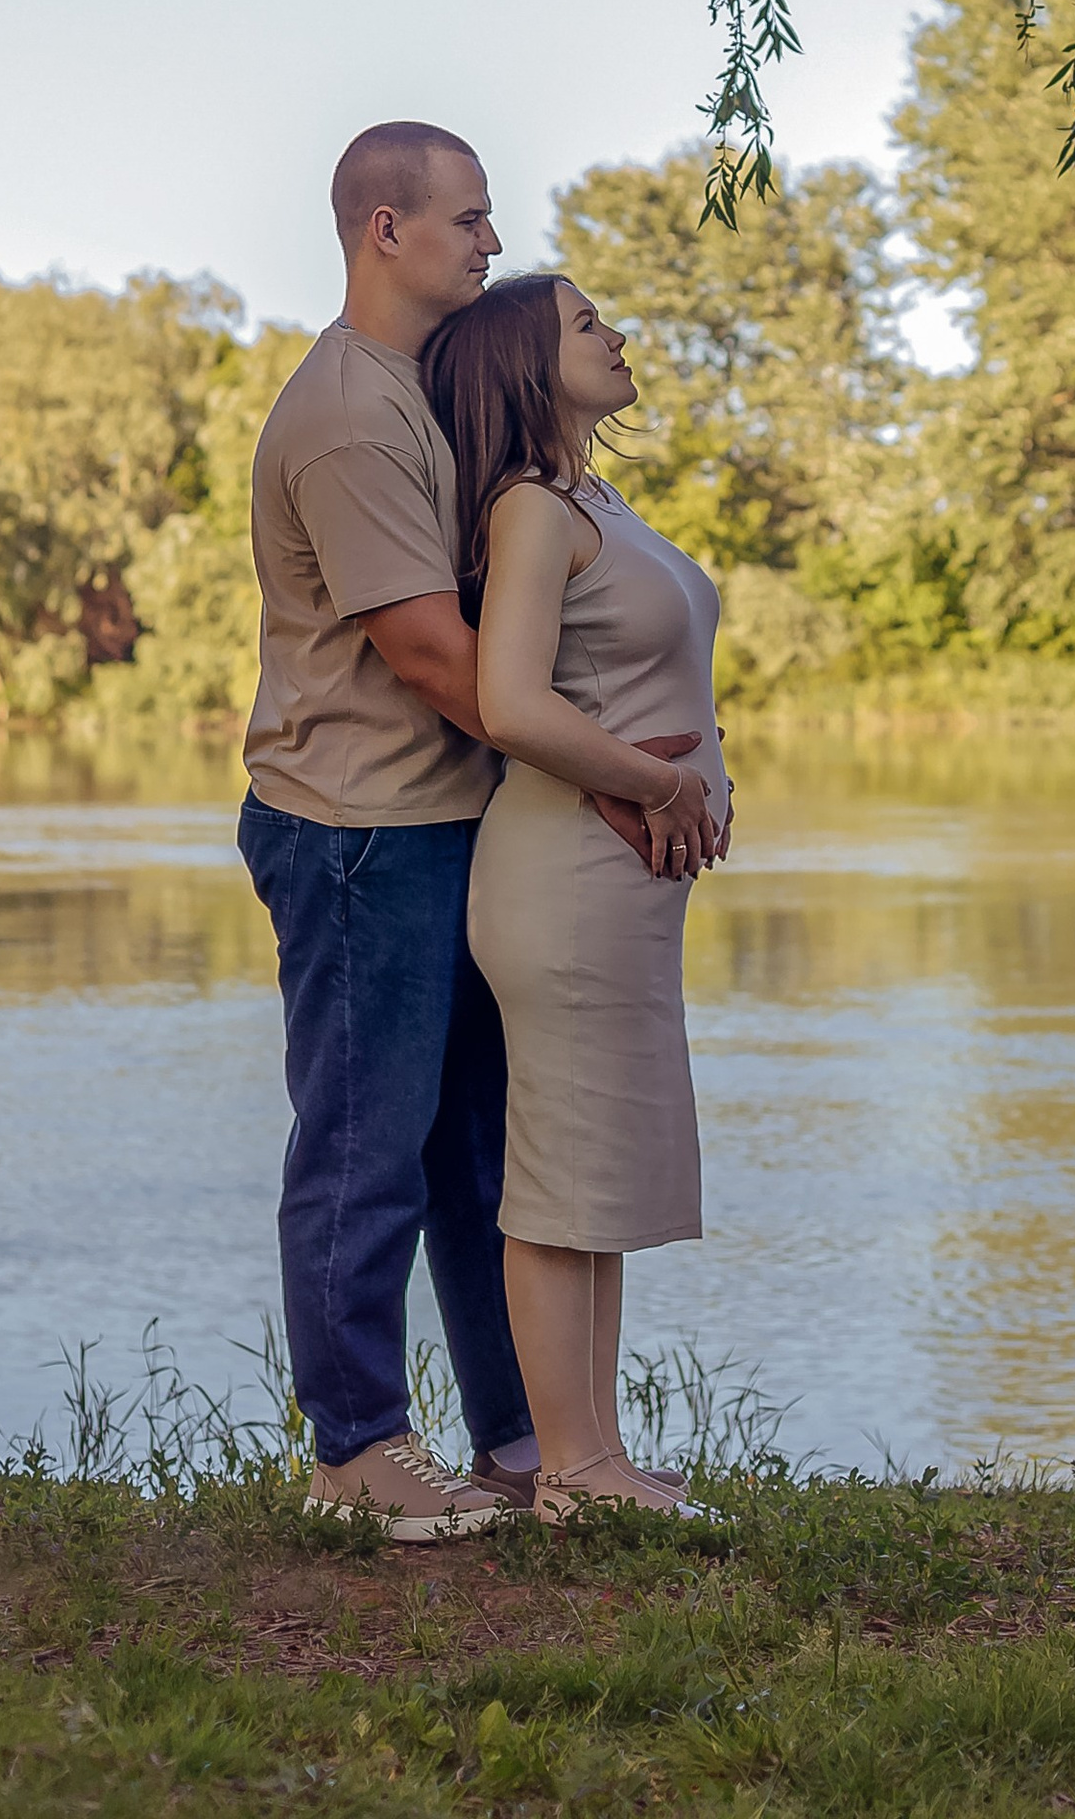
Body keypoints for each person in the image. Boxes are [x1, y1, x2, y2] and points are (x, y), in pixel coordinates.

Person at [234, 119, 536, 1542]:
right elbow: (426, 653)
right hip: (359, 832)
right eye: (469, 218)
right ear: (386, 231)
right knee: (366, 1151)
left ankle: (522, 1444)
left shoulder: (427, 388)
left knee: (479, 1156)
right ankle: (356, 1451)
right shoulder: (350, 415)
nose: (492, 241)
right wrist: (609, 776)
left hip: (443, 817)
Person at [421, 271, 731, 1522]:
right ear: (525, 368)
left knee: (595, 1173)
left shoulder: (592, 498)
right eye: (587, 325)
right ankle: (570, 1473)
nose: (617, 335)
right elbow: (511, 704)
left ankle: (595, 1456)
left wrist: (695, 776)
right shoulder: (529, 512)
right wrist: (659, 787)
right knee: (560, 1177)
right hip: (563, 879)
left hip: (620, 889)